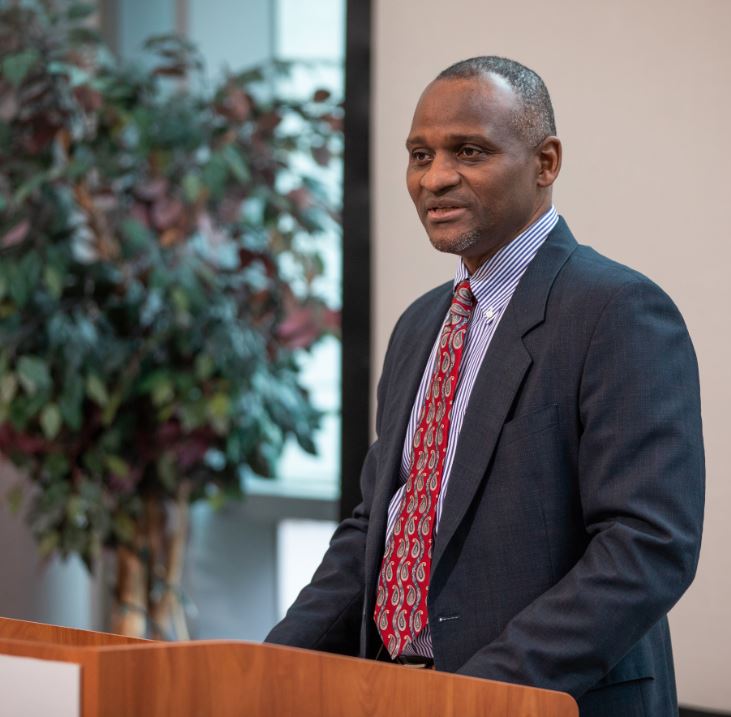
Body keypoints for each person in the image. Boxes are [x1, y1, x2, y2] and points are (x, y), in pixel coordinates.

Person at [266, 56, 705, 717]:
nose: (434, 177)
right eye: (419, 153)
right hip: (389, 691)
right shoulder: (419, 324)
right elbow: (374, 529)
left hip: (532, 700)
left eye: (468, 150)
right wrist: (265, 667)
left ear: (545, 161)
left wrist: (468, 694)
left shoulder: (617, 311)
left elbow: (645, 545)